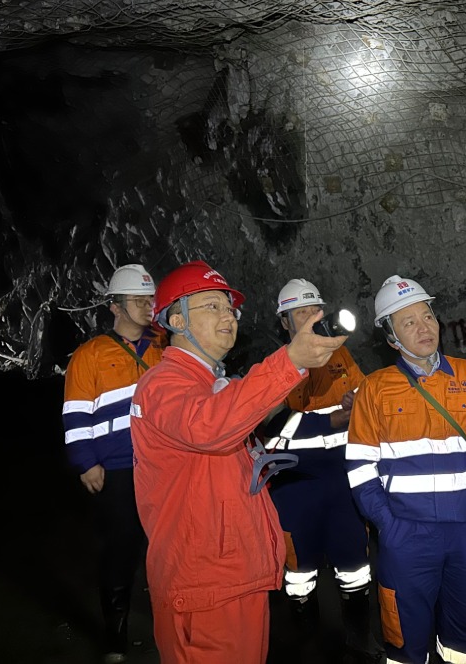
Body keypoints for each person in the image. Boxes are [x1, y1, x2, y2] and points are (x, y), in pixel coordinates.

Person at [128, 260, 348, 664]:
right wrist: (290, 361)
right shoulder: (161, 384)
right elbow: (209, 426)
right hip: (205, 586)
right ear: (177, 320)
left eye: (230, 308)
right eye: (212, 306)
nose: (228, 316)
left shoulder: (211, 383)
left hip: (233, 575)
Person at [345, 274, 466, 664]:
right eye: (409, 322)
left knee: (464, 631)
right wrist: (388, 525)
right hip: (408, 530)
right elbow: (360, 468)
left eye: (428, 316)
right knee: (405, 632)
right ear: (392, 338)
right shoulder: (375, 388)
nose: (424, 328)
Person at [263, 278, 382, 663]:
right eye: (300, 313)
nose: (311, 318)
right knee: (300, 573)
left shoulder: (341, 356)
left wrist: (356, 401)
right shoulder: (274, 366)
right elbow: (270, 426)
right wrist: (332, 419)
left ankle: (359, 640)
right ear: (285, 322)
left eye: (315, 311)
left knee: (355, 566)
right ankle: (308, 645)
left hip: (342, 480)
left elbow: (363, 398)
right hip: (296, 485)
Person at [61, 263, 165, 664]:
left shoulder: (164, 348)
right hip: (117, 469)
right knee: (120, 549)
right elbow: (76, 414)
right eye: (137, 300)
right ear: (115, 306)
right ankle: (115, 639)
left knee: (166, 546)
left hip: (160, 466)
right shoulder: (89, 355)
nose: (146, 306)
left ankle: (169, 625)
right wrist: (85, 462)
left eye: (149, 299)